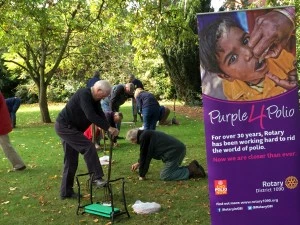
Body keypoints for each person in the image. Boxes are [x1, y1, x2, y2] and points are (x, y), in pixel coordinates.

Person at [199, 16, 296, 101]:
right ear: (226, 76)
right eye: (233, 58)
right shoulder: (232, 92)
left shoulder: (281, 58)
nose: (249, 53)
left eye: (245, 41)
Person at [55, 80, 119, 200]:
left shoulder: (95, 99)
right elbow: (91, 115)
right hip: (65, 127)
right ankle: (96, 178)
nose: (105, 97)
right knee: (89, 146)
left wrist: (109, 128)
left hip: (72, 129)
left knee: (71, 160)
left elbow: (100, 113)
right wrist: (108, 128)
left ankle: (66, 192)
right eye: (104, 95)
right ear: (98, 90)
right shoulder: (84, 94)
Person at [126, 128, 206, 181]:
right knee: (170, 171)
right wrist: (139, 163)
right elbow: (146, 153)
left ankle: (193, 170)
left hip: (175, 152)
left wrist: (142, 175)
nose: (134, 143)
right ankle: (192, 166)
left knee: (165, 175)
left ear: (133, 139)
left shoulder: (144, 137)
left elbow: (145, 156)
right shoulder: (145, 134)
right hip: (177, 150)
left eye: (132, 142)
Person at [0, 92, 26, 171]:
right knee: (6, 145)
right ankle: (19, 164)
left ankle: (19, 164)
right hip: (2, 123)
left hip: (1, 124)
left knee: (6, 145)